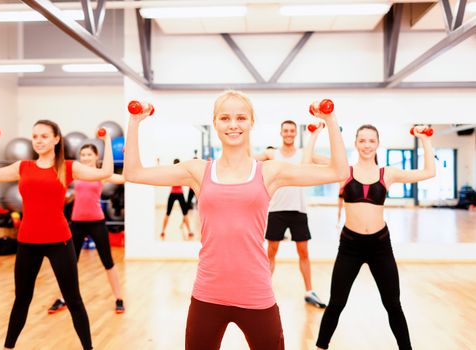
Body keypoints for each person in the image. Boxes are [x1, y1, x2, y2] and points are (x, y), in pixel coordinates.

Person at [123, 90, 348, 350]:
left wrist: (330, 120)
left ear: (252, 122)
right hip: (208, 293)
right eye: (225, 118)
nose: (233, 124)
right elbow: (134, 172)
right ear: (215, 123)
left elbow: (338, 171)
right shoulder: (197, 170)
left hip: (256, 293)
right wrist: (135, 122)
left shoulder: (269, 171)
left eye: (241, 118)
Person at [0, 120, 114, 350]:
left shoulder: (68, 167)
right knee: (22, 300)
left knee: (74, 301)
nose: (38, 140)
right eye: (35, 136)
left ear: (56, 139)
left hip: (59, 241)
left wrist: (107, 141)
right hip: (28, 242)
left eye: (44, 136)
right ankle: (8, 347)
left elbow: (106, 172)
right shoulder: (23, 166)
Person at [304, 124, 435, 350]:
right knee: (336, 303)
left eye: (371, 141)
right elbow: (307, 162)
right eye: (362, 141)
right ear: (355, 143)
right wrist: (314, 134)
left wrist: (424, 138)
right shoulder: (344, 169)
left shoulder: (388, 173)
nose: (366, 145)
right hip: (350, 247)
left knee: (393, 304)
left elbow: (428, 172)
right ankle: (319, 347)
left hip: (380, 246)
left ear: (377, 144)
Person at [48, 143, 125, 315]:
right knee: (69, 264)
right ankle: (63, 298)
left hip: (97, 222)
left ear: (96, 157)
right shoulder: (75, 174)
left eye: (89, 154)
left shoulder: (101, 174)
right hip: (77, 223)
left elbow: (122, 179)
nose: (85, 157)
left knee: (108, 262)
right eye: (83, 154)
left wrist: (126, 162)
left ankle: (119, 298)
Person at [255, 120, 326, 308]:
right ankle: (264, 290)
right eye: (285, 130)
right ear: (281, 133)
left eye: (291, 131)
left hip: (298, 210)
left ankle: (309, 291)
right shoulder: (272, 154)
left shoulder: (304, 154)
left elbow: (327, 161)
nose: (288, 133)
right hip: (276, 210)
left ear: (295, 133)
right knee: (271, 252)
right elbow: (250, 159)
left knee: (303, 252)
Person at [160, 158, 194, 239]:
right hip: (176, 194)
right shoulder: (175, 173)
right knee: (169, 213)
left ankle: (189, 231)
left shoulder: (177, 173)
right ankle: (163, 231)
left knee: (184, 213)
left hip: (177, 194)